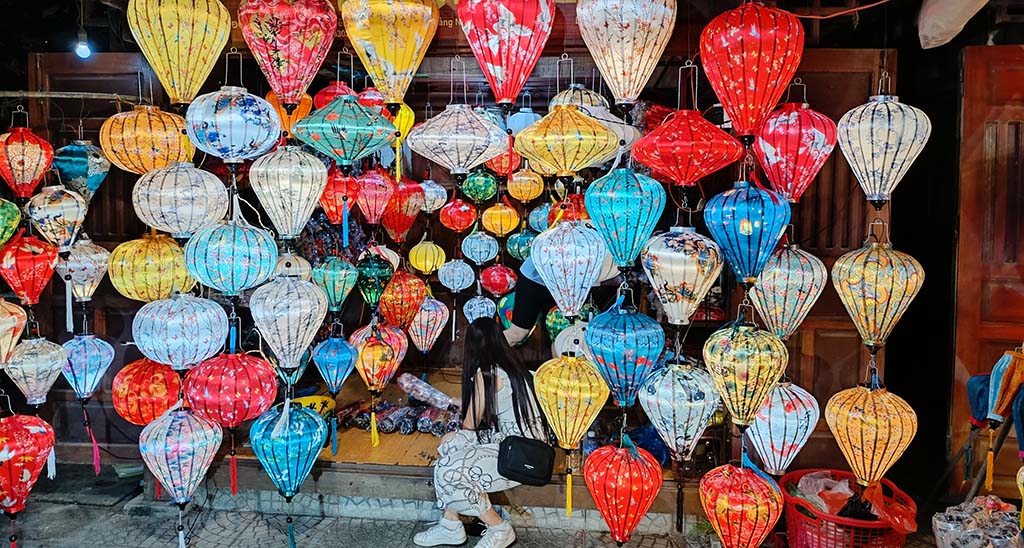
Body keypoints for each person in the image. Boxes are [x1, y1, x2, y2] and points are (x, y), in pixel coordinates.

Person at [414, 318, 548, 548]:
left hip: (516, 458)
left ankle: (499, 529)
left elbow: (470, 425)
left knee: (447, 468)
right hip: (529, 450)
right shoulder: (515, 368)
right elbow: (479, 407)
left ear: (472, 347)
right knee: (450, 444)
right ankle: (450, 523)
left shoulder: (487, 373)